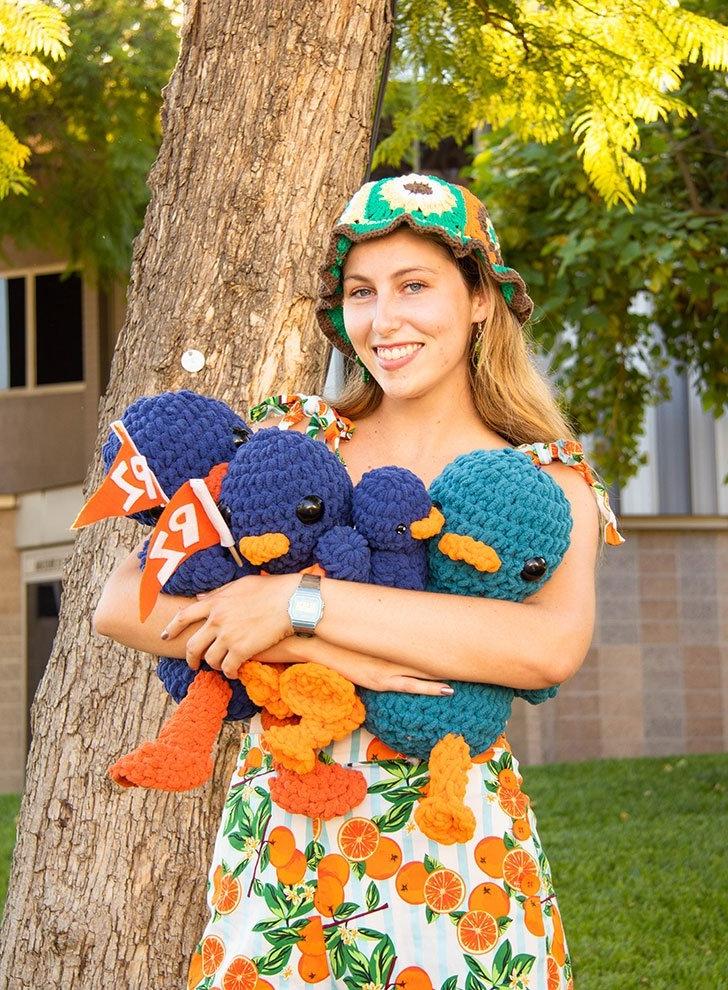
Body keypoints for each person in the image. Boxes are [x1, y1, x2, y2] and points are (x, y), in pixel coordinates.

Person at [94, 172, 622, 990]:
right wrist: (350, 656)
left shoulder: (547, 482)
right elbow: (125, 601)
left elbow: (546, 649)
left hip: (459, 843)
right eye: (361, 292)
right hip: (290, 834)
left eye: (416, 285)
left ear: (481, 298)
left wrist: (297, 604)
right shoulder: (293, 438)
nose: (384, 320)